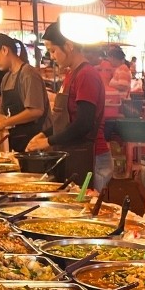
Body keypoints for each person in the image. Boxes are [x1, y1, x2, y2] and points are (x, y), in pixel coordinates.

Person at [27, 23, 109, 190]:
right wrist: (43, 134)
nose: (52, 56)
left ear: (69, 46)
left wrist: (48, 141)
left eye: (53, 50)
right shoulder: (72, 74)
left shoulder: (86, 75)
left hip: (92, 158)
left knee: (86, 210)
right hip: (73, 154)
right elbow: (65, 120)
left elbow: (83, 124)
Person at [0, 34, 48, 153]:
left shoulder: (28, 74)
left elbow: (36, 111)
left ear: (4, 50)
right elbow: (3, 113)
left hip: (35, 144)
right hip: (17, 144)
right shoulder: (6, 78)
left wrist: (4, 123)